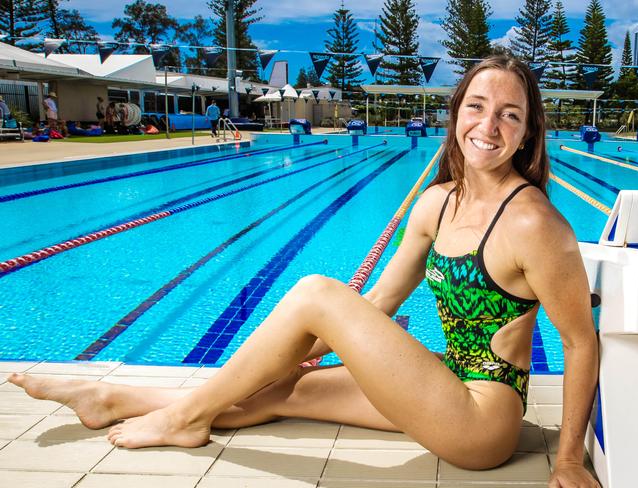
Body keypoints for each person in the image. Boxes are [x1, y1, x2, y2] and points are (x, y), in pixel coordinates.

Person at [9, 56, 600, 487]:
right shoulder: (436, 203)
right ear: (455, 114)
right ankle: (109, 398)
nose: (488, 126)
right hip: (443, 384)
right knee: (274, 392)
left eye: (509, 115)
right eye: (476, 106)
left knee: (316, 291)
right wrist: (304, 349)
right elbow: (380, 303)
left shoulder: (533, 223)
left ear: (528, 132)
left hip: (483, 419)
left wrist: (569, 459)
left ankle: (184, 419)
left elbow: (580, 342)